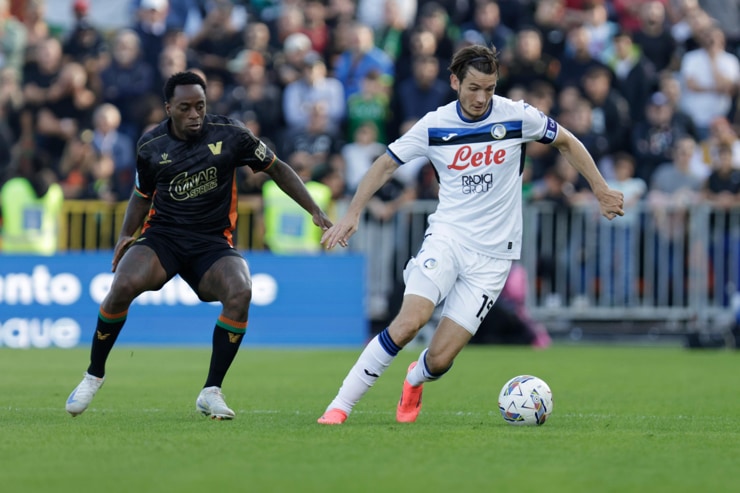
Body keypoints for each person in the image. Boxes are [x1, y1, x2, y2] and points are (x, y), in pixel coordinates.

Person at [316, 44, 624, 425]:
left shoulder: (518, 116)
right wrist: (353, 212)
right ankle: (340, 407)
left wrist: (600, 189)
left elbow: (567, 141)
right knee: (409, 322)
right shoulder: (435, 124)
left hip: (494, 258)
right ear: (454, 82)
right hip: (448, 238)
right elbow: (385, 164)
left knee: (441, 359)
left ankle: (414, 380)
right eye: (473, 88)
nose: (481, 98)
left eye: (489, 89)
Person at [65, 71, 334, 420]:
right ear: (169, 109)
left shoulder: (232, 134)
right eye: (186, 107)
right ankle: (93, 374)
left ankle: (211, 390)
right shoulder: (151, 146)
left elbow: (276, 168)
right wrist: (125, 234)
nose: (195, 114)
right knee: (123, 285)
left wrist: (314, 208)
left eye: (200, 106)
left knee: (241, 291)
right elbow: (141, 194)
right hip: (163, 236)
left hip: (212, 242)